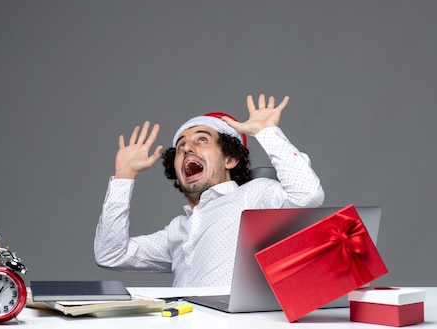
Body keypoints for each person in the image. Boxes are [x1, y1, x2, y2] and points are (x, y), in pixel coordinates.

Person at [94, 94, 324, 287]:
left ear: (231, 159)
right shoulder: (177, 230)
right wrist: (123, 177)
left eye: (202, 140)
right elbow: (111, 255)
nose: (187, 148)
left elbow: (306, 196)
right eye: (181, 146)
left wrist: (267, 132)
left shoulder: (254, 196)